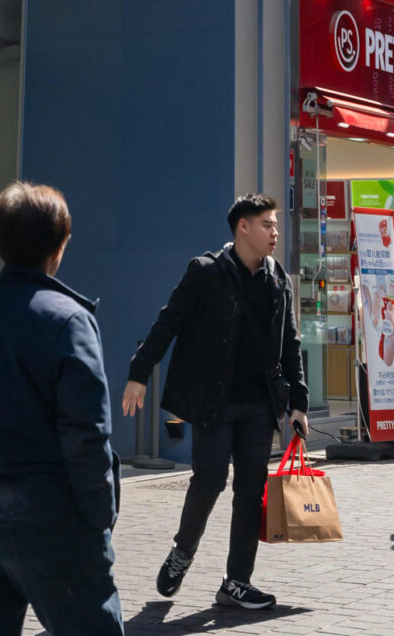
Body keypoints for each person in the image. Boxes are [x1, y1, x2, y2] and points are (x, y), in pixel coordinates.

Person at [0, 182, 118, 636]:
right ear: (59, 245)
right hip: (51, 519)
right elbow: (86, 433)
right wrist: (100, 515)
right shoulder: (69, 320)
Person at [122, 193, 306, 613]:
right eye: (267, 224)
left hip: (260, 404)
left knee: (250, 490)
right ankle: (182, 552)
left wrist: (299, 402)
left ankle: (237, 582)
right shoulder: (205, 272)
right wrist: (139, 372)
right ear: (243, 226)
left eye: (275, 225)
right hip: (215, 402)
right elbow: (168, 321)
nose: (275, 232)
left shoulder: (279, 280)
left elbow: (291, 344)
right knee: (208, 481)